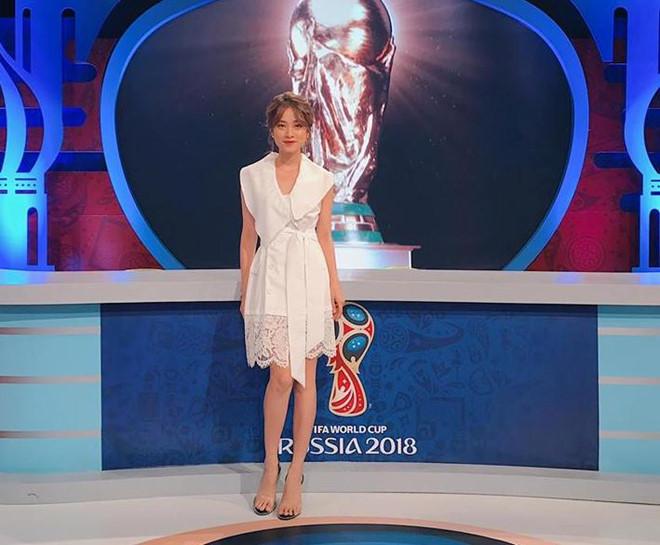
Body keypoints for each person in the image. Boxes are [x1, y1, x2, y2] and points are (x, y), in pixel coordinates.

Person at [239, 91, 345, 520]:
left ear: (308, 131)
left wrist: (335, 284)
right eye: (282, 125)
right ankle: (271, 466)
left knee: (306, 380)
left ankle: (296, 471)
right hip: (270, 280)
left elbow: (324, 236)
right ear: (271, 129)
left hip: (310, 277)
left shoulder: (322, 179)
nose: (289, 133)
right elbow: (248, 237)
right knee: (280, 377)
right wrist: (246, 289)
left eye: (297, 126)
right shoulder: (251, 175)